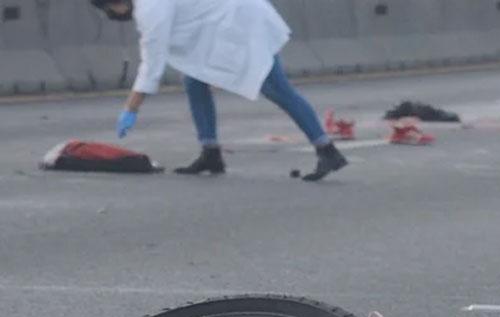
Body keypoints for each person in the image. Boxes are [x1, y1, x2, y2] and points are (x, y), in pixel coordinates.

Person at [91, 0, 347, 181]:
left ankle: (327, 150)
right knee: (194, 81)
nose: (111, 14)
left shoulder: (150, 7)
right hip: (226, 21)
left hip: (242, 22)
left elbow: (152, 63)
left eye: (108, 8)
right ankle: (210, 152)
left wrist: (131, 108)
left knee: (276, 88)